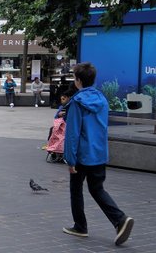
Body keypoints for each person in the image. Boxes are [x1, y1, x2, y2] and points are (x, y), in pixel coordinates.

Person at [62, 62, 134, 246]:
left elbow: (72, 134)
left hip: (82, 155)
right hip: (99, 153)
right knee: (97, 188)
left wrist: (70, 159)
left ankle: (80, 227)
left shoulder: (77, 102)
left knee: (76, 189)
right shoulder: (102, 99)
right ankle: (120, 219)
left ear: (78, 80)